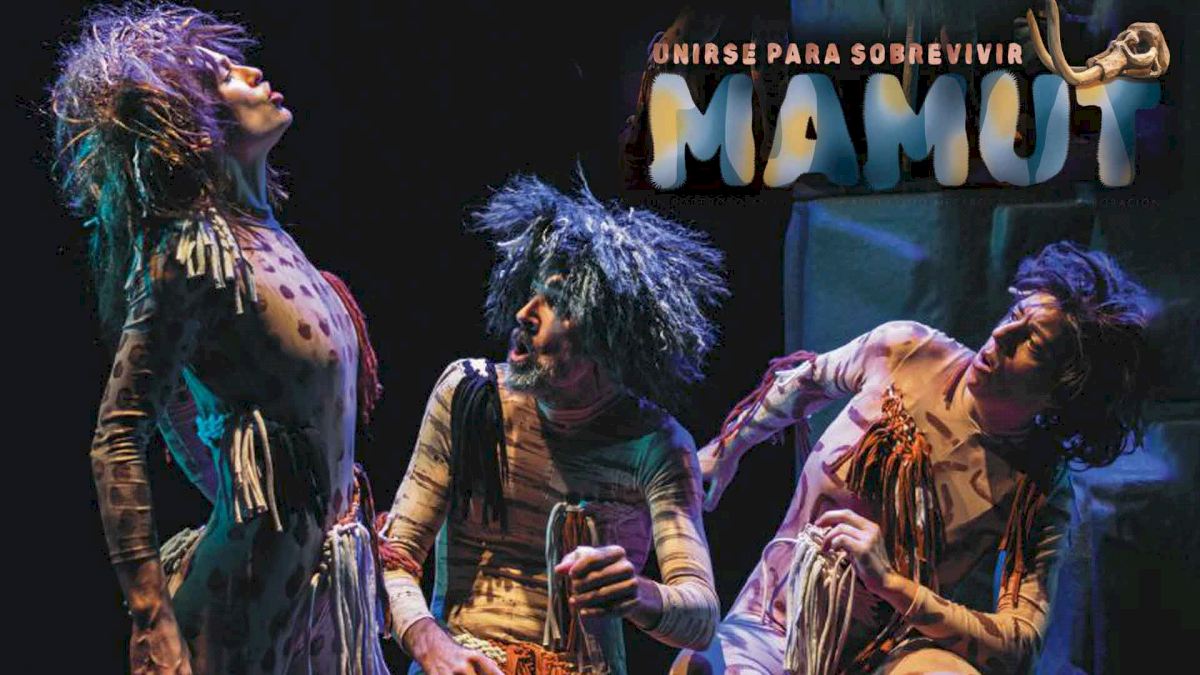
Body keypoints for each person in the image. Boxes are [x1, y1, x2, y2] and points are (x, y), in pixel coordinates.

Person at [52, 6, 388, 673]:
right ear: (190, 127)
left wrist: (289, 495)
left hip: (312, 604)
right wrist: (150, 614)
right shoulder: (193, 254)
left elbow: (193, 410)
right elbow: (119, 434)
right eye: (222, 76)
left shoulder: (273, 240)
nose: (253, 73)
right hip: (242, 613)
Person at [673, 242, 1152, 675]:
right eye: (1014, 314)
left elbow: (1020, 644)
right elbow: (804, 382)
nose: (1003, 335)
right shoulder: (905, 351)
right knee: (701, 668)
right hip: (774, 623)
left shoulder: (1039, 485)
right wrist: (725, 450)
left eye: (1033, 343)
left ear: (1063, 391)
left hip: (889, 653)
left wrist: (891, 583)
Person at [379, 176, 726, 674]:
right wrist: (433, 647)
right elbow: (394, 557)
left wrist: (636, 593)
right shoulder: (470, 397)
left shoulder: (657, 446)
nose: (524, 314)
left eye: (557, 302)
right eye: (531, 292)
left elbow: (701, 617)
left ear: (608, 337)